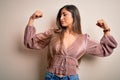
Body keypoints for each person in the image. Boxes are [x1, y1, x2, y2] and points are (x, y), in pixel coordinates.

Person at [24, 5, 117, 80]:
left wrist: (106, 29)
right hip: (51, 77)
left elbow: (105, 50)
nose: (61, 18)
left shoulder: (84, 39)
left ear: (74, 16)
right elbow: (30, 42)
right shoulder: (53, 33)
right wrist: (31, 19)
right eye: (60, 15)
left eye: (64, 14)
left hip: (71, 78)